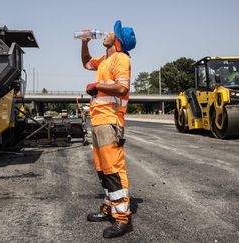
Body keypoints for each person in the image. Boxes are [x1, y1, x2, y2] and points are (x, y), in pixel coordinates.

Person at [81, 20, 136, 238]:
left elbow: (122, 88)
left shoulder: (121, 59)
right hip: (98, 121)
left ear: (118, 40)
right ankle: (109, 207)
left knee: (113, 170)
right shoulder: (106, 59)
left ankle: (122, 218)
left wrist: (97, 86)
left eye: (113, 33)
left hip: (110, 121)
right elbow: (86, 63)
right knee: (103, 170)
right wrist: (84, 43)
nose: (107, 33)